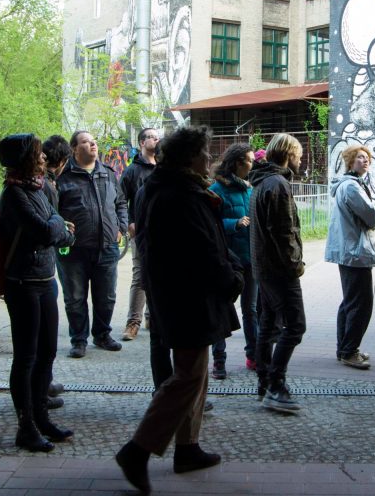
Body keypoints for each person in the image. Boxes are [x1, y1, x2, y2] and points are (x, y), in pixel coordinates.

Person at [115, 126, 242, 494]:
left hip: (181, 295)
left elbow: (207, 241)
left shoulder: (169, 187)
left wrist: (228, 268)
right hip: (186, 297)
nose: (211, 160)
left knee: (196, 373)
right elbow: (201, 250)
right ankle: (137, 450)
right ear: (189, 157)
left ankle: (188, 447)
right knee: (187, 376)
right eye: (205, 153)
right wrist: (232, 277)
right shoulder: (178, 194)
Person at [0, 133, 76, 453]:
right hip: (23, 284)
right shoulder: (14, 195)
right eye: (37, 153)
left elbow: (61, 235)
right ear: (24, 158)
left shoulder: (42, 187)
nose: (43, 157)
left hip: (46, 279)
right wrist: (58, 224)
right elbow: (46, 230)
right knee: (26, 357)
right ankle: (25, 425)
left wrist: (56, 226)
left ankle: (41, 418)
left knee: (47, 353)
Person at [55, 130, 128, 358]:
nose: (93, 144)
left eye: (93, 140)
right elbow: (53, 210)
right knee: (75, 298)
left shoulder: (107, 173)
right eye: (86, 141)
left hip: (106, 247)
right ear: (75, 148)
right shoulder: (63, 177)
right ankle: (79, 340)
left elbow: (121, 202)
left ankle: (102, 334)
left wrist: (121, 227)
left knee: (106, 296)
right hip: (74, 250)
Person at [249, 133, 307, 414]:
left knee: (269, 327)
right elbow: (284, 233)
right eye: (298, 153)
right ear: (287, 154)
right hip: (280, 270)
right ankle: (276, 385)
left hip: (264, 268)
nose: (301, 158)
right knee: (295, 326)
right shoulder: (278, 184)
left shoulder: (261, 182)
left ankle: (264, 384)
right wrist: (295, 264)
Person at [325, 145, 375, 369]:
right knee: (361, 303)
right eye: (360, 157)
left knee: (350, 301)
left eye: (367, 158)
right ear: (350, 161)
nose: (365, 161)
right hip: (354, 252)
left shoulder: (349, 185)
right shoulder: (351, 188)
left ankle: (344, 348)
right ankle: (349, 351)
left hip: (349, 251)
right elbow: (372, 216)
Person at [208, 144, 258, 378]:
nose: (252, 164)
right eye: (249, 160)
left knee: (251, 309)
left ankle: (254, 356)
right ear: (237, 163)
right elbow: (211, 224)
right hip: (227, 260)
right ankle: (219, 360)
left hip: (250, 258)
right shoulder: (217, 189)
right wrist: (234, 223)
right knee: (221, 308)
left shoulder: (249, 189)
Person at [119, 127, 160, 342]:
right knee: (140, 275)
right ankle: (132, 322)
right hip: (140, 230)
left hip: (162, 231)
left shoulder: (164, 167)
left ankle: (152, 318)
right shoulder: (132, 170)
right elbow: (120, 200)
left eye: (157, 136)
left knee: (158, 274)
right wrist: (129, 223)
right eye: (152, 136)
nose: (156, 139)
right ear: (142, 142)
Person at [41, 134, 73, 407]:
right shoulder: (46, 186)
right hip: (38, 270)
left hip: (40, 267)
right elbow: (47, 228)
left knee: (41, 335)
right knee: (42, 336)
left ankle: (43, 383)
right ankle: (40, 389)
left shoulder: (36, 184)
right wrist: (65, 231)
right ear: (62, 161)